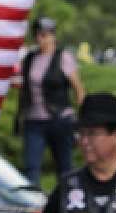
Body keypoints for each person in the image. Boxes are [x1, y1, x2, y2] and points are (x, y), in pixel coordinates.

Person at [15, 17, 86, 186]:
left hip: (60, 118)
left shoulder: (63, 57)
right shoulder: (30, 59)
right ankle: (34, 205)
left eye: (44, 35)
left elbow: (79, 89)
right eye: (38, 35)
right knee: (31, 166)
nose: (41, 39)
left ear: (52, 36)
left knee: (64, 167)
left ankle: (67, 202)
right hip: (34, 119)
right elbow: (25, 87)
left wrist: (81, 120)